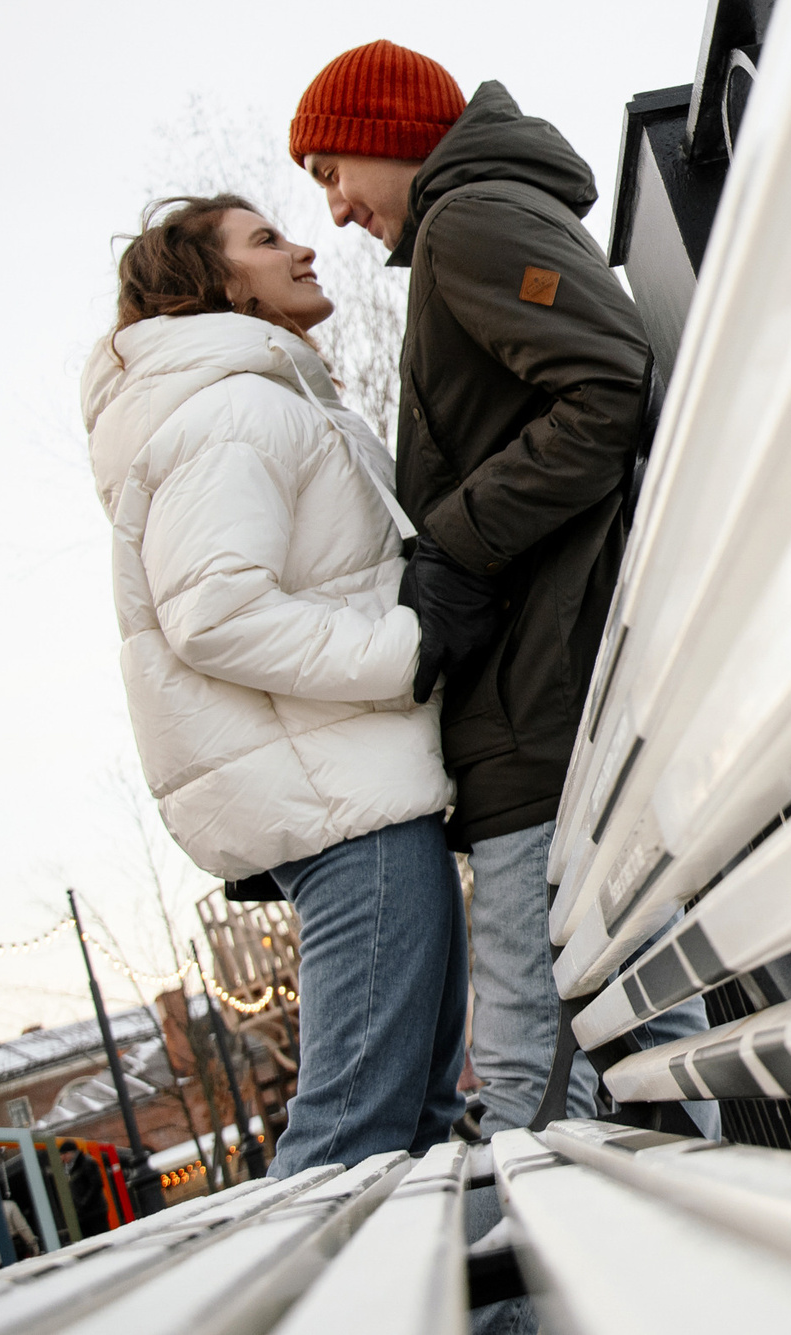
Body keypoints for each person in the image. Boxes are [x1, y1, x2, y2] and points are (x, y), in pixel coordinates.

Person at [289, 42, 710, 1154]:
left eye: (333, 171)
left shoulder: (468, 221)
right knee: (648, 1039)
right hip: (558, 686)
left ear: (388, 134)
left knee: (531, 1075)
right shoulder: (478, 219)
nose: (335, 209)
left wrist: (455, 547)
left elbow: (609, 380)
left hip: (539, 697)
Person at [85, 196, 466, 1177]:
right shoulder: (233, 411)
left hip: (360, 790)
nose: (301, 246)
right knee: (353, 1136)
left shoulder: (271, 399)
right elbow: (214, 612)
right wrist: (409, 648)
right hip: (344, 808)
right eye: (264, 240)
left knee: (415, 1125)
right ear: (210, 282)